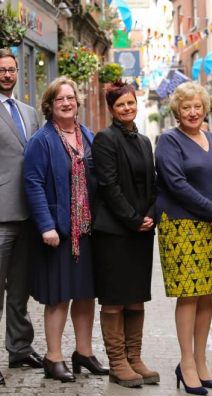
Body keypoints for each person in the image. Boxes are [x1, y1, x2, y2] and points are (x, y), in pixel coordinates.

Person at [23, 77, 108, 383]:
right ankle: (53, 357)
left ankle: (83, 353)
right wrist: (46, 225)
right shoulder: (41, 140)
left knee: (85, 295)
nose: (67, 103)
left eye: (71, 98)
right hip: (57, 234)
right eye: (60, 99)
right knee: (58, 297)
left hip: (85, 231)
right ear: (50, 105)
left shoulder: (86, 134)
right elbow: (32, 184)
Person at [155, 82, 212, 396]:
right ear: (177, 110)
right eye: (186, 107)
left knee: (207, 295)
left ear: (204, 108)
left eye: (197, 106)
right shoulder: (168, 140)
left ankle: (202, 361)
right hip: (182, 226)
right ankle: (186, 363)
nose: (192, 112)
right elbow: (175, 184)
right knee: (188, 295)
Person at [91, 81, 159, 388]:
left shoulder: (144, 140)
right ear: (112, 109)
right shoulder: (105, 140)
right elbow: (109, 186)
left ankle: (135, 358)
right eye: (121, 105)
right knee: (116, 299)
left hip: (141, 231)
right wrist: (133, 220)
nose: (127, 108)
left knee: (136, 299)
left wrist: (150, 216)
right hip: (114, 233)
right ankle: (118, 363)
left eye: (130, 103)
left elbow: (153, 183)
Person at [0, 48, 42, 386]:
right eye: (2, 70)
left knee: (19, 290)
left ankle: (19, 348)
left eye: (11, 69)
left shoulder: (29, 112)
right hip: (0, 215)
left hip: (28, 214)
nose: (7, 75)